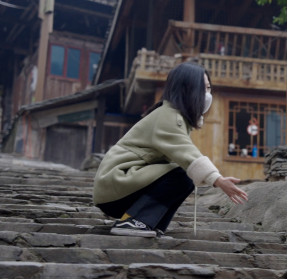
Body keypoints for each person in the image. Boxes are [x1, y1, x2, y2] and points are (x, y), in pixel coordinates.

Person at [93, 62, 248, 237]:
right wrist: (217, 179)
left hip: (120, 187)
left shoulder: (173, 116)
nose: (208, 95)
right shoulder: (168, 116)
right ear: (188, 89)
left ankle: (150, 223)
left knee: (184, 174)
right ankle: (134, 221)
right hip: (116, 185)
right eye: (203, 89)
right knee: (182, 174)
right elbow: (186, 153)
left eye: (209, 88)